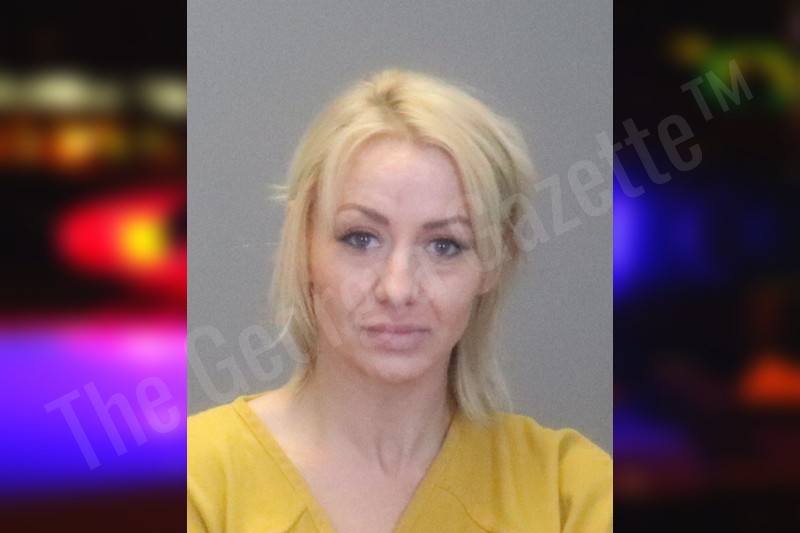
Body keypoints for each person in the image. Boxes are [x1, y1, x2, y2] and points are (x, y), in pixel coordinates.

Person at [187, 69, 611, 532]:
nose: (398, 289)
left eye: (445, 245)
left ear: (493, 260)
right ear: (302, 241)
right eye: (361, 238)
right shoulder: (194, 481)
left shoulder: (570, 491)